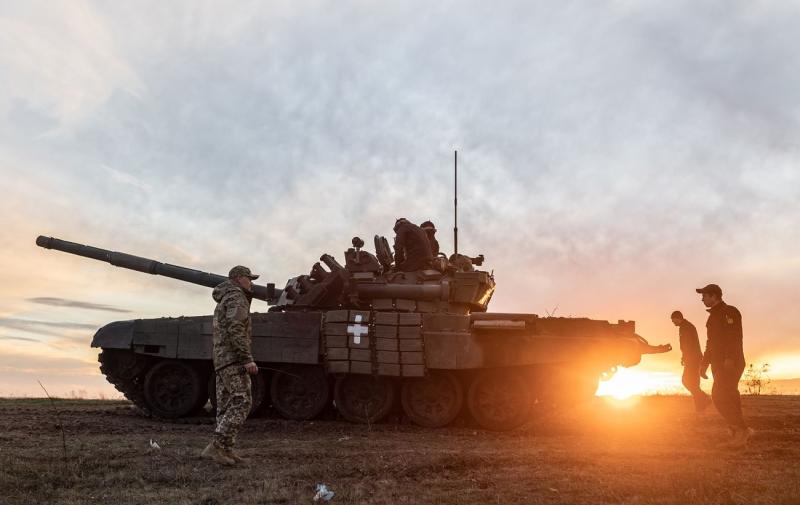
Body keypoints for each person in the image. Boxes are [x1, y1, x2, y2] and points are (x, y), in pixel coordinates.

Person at [201, 265, 260, 465]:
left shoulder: (226, 297)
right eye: (249, 278)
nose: (251, 282)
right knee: (242, 401)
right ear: (238, 278)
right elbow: (236, 328)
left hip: (221, 358)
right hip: (233, 358)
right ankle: (217, 446)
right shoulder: (237, 297)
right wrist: (246, 358)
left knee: (225, 404)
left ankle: (225, 449)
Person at [696, 283, 752, 447]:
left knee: (719, 396)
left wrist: (729, 358)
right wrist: (704, 363)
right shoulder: (712, 317)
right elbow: (710, 343)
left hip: (730, 362)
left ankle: (742, 431)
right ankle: (737, 433)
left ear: (714, 296)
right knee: (729, 396)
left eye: (704, 296)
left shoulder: (730, 312)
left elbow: (734, 337)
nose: (702, 299)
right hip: (718, 362)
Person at [670, 310, 709, 412]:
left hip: (693, 359)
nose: (673, 323)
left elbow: (688, 345)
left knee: (688, 381)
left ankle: (703, 400)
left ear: (678, 318)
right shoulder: (684, 327)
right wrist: (684, 357)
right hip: (692, 358)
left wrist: (686, 358)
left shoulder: (686, 327)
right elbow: (686, 345)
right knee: (692, 383)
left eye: (673, 320)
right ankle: (701, 405)